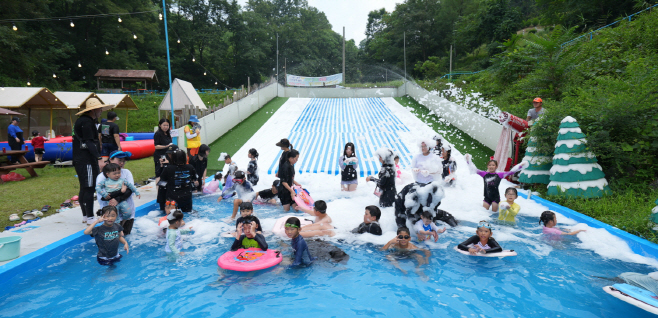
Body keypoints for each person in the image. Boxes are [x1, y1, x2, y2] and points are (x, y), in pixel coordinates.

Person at [73, 98, 113, 224]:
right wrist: (99, 158)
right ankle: (90, 217)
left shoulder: (85, 121)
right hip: (86, 160)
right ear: (94, 110)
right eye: (100, 109)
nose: (101, 111)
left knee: (84, 187)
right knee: (89, 187)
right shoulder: (86, 122)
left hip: (81, 159)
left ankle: (85, 216)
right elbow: (89, 142)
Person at [96, 150, 138, 234]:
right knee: (113, 237)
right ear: (110, 160)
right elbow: (104, 196)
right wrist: (120, 193)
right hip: (110, 212)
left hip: (128, 209)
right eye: (119, 160)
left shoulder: (126, 173)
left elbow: (130, 190)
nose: (122, 163)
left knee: (126, 234)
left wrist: (118, 199)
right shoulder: (102, 177)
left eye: (123, 161)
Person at [157, 144, 178, 211]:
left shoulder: (179, 162)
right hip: (163, 187)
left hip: (172, 188)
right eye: (168, 154)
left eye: (171, 154)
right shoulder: (166, 161)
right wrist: (161, 165)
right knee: (162, 206)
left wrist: (168, 165)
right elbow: (159, 174)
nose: (169, 156)